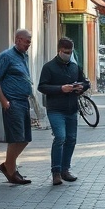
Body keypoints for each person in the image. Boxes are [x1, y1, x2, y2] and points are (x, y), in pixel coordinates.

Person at [37, 38, 89, 186]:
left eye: (70, 52)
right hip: (55, 109)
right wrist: (61, 89)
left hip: (71, 108)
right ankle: (56, 172)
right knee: (60, 137)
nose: (68, 54)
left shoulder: (74, 66)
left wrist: (81, 87)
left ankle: (65, 169)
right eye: (66, 52)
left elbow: (85, 82)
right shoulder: (49, 67)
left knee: (71, 139)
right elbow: (42, 87)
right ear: (59, 50)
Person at [0, 29, 34, 185]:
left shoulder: (24, 56)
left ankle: (7, 165)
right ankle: (11, 170)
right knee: (16, 138)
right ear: (18, 39)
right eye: (27, 41)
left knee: (25, 139)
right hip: (12, 102)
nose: (29, 44)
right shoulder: (6, 56)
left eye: (30, 42)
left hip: (23, 101)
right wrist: (3, 101)